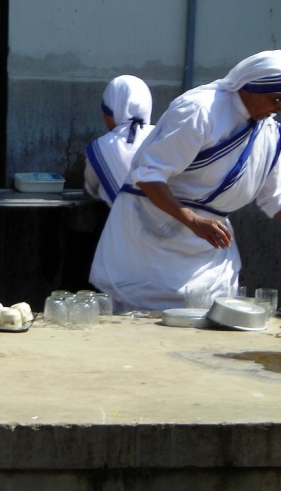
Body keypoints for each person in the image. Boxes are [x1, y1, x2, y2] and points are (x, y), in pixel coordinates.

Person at [89, 50, 281, 312]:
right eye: (276, 99)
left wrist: (202, 225)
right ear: (252, 87)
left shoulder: (269, 131)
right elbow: (148, 175)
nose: (278, 109)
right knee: (138, 330)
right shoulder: (200, 110)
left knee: (209, 329)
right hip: (151, 239)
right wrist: (193, 221)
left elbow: (274, 197)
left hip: (210, 248)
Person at [84, 75, 155, 207]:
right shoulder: (162, 137)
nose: (104, 118)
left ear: (115, 112)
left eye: (106, 113)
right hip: (166, 224)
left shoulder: (100, 147)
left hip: (120, 224)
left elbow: (91, 188)